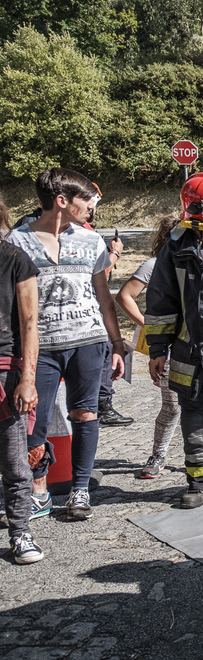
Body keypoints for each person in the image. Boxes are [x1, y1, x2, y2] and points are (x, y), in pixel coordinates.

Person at [7, 169, 126, 522]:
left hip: (88, 342)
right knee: (34, 422)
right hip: (39, 348)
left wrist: (118, 344)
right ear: (62, 201)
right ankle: (39, 491)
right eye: (86, 200)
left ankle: (80, 489)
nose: (92, 206)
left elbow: (104, 297)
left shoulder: (91, 241)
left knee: (85, 414)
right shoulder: (17, 241)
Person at [144, 175, 203, 508]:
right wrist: (157, 349)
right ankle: (202, 482)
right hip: (191, 353)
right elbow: (160, 301)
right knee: (195, 421)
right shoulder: (177, 248)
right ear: (202, 211)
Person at [116, 217, 183, 479]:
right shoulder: (155, 265)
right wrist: (148, 326)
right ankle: (158, 455)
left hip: (196, 345)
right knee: (172, 406)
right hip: (167, 348)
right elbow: (124, 296)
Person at [0, 195, 42, 563]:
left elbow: (30, 324)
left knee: (14, 463)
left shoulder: (15, 259)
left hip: (4, 370)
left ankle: (20, 533)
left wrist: (27, 378)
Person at [87, 187, 134, 428]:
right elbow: (99, 275)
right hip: (90, 311)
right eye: (92, 202)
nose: (92, 208)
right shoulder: (83, 232)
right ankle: (103, 405)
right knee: (106, 353)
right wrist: (115, 253)